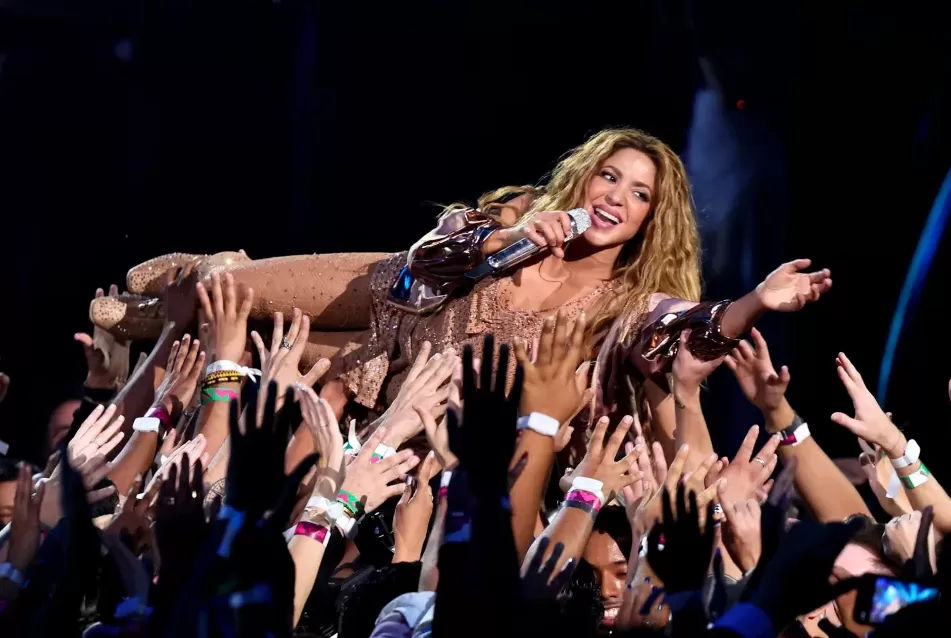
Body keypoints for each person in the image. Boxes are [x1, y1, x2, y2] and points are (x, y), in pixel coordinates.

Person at [94, 128, 831, 459]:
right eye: (610, 176)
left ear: (648, 221)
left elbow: (695, 331)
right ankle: (161, 302)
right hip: (389, 302)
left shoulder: (628, 302)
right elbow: (428, 265)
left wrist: (757, 304)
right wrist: (504, 242)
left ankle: (152, 334)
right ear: (586, 177)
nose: (615, 197)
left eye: (637, 194)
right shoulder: (522, 216)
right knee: (216, 291)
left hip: (393, 381)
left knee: (229, 339)